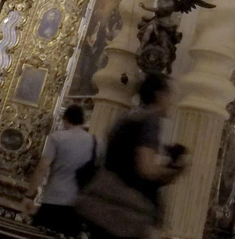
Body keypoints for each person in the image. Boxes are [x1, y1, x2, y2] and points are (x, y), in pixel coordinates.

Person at [76, 75, 184, 239]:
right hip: (123, 211)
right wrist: (175, 169)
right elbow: (146, 169)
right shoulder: (150, 120)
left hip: (103, 202)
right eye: (169, 94)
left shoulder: (126, 117)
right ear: (159, 95)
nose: (171, 101)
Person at [29, 104, 99, 236]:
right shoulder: (95, 142)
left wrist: (29, 195)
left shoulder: (57, 138)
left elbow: (42, 167)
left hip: (53, 200)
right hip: (76, 205)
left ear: (66, 120)